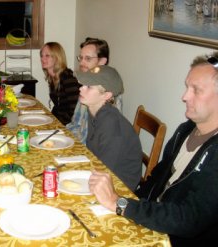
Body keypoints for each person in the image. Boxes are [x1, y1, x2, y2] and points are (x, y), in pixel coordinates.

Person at [88, 52, 218, 246]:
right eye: (186, 87)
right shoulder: (185, 130)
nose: (184, 96)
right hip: (151, 217)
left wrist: (121, 204)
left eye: (196, 90)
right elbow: (156, 177)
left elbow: (189, 220)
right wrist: (130, 203)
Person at [77, 65, 142, 191]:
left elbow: (105, 169)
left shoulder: (110, 123)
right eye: (83, 84)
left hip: (119, 185)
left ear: (106, 95)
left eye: (89, 87)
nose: (81, 88)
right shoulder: (93, 110)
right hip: (102, 172)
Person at [66, 37, 123, 144]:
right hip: (77, 143)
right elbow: (75, 124)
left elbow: (103, 141)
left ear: (102, 62)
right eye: (81, 58)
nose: (82, 63)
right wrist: (62, 136)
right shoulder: (86, 85)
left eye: (88, 59)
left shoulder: (107, 93)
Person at [40, 42, 81, 125]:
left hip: (69, 125)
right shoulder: (53, 77)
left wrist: (55, 124)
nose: (42, 59)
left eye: (47, 56)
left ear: (57, 57)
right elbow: (58, 107)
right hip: (60, 122)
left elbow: (74, 111)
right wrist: (49, 118)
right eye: (42, 55)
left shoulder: (68, 78)